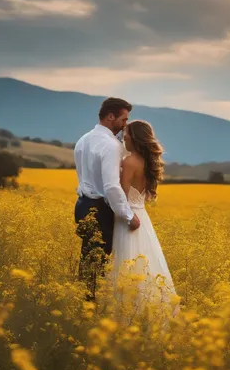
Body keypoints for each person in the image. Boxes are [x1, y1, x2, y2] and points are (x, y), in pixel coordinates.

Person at [107, 119, 181, 327]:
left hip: (128, 218)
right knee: (146, 265)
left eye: (127, 134)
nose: (124, 137)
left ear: (135, 137)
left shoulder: (129, 162)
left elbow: (119, 194)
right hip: (142, 217)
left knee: (126, 264)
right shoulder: (148, 163)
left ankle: (126, 320)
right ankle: (149, 317)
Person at [74, 97, 141, 301]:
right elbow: (111, 186)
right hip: (99, 208)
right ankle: (88, 307)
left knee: (88, 259)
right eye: (123, 119)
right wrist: (128, 215)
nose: (125, 125)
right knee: (97, 263)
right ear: (111, 116)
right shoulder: (110, 145)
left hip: (82, 206)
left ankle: (82, 304)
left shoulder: (84, 139)